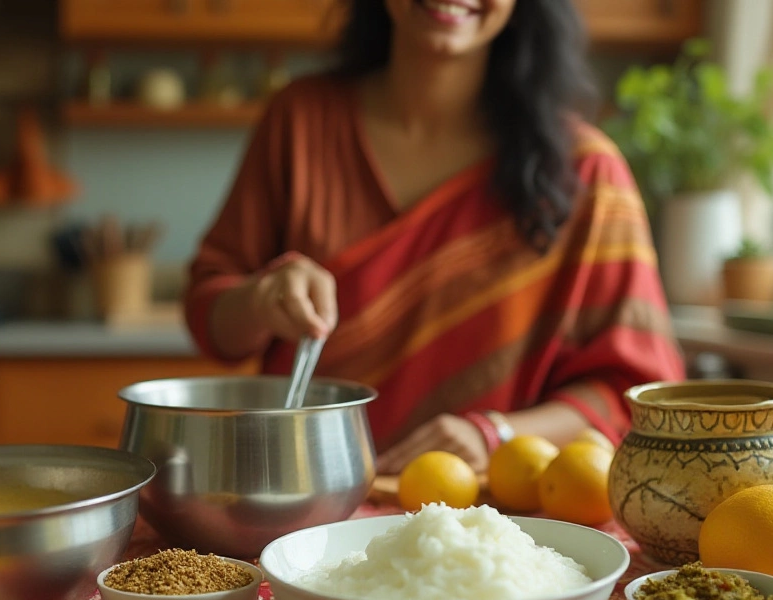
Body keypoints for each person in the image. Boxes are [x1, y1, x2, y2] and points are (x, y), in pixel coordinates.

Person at [184, 0, 685, 474]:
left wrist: (497, 435)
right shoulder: (301, 120)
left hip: (495, 530)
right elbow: (209, 317)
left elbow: (638, 396)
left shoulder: (585, 174)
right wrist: (260, 298)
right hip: (304, 504)